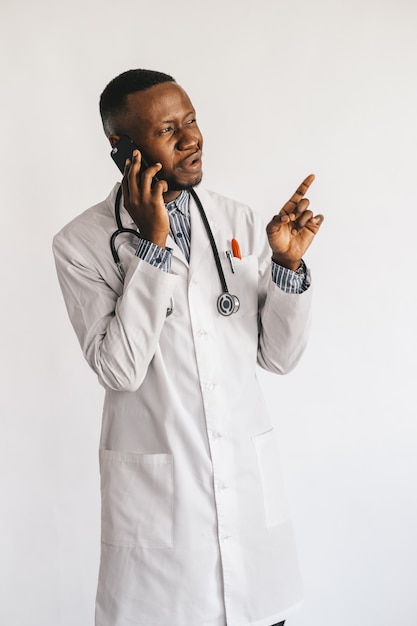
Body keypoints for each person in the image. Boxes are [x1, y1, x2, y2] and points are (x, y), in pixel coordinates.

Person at [53, 68, 324, 626]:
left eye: (193, 120)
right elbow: (119, 368)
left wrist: (286, 265)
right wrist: (151, 250)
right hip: (160, 539)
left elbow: (279, 356)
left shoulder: (238, 220)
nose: (191, 138)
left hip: (247, 520)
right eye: (167, 129)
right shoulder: (81, 244)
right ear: (121, 148)